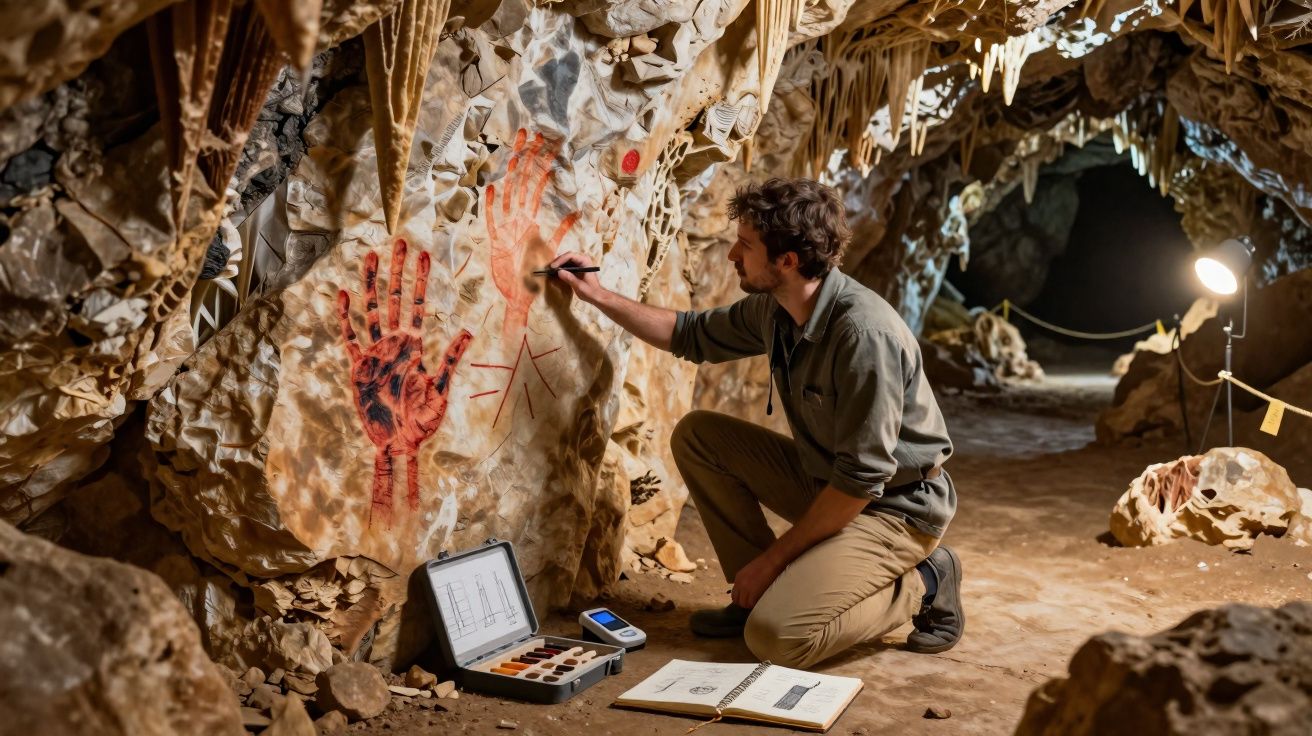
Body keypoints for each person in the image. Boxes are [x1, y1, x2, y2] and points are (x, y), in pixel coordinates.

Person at [547, 177, 962, 669]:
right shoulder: (778, 309)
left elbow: (860, 482)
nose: (732, 256)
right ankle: (754, 602)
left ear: (786, 260)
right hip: (831, 483)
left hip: (894, 506)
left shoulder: (862, 336)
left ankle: (923, 582)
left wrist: (772, 561)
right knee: (701, 437)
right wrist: (598, 295)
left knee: (780, 639)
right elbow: (691, 334)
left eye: (745, 245)